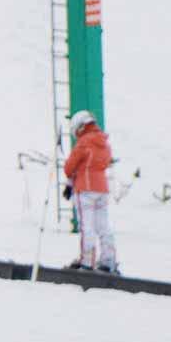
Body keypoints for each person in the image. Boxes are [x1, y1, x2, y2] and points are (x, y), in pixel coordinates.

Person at [63, 111, 118, 273]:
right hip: (102, 189)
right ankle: (108, 260)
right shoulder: (104, 143)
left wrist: (72, 179)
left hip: (85, 189)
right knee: (103, 226)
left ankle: (87, 261)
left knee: (87, 226)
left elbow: (69, 168)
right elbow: (104, 163)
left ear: (80, 127)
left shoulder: (83, 143)